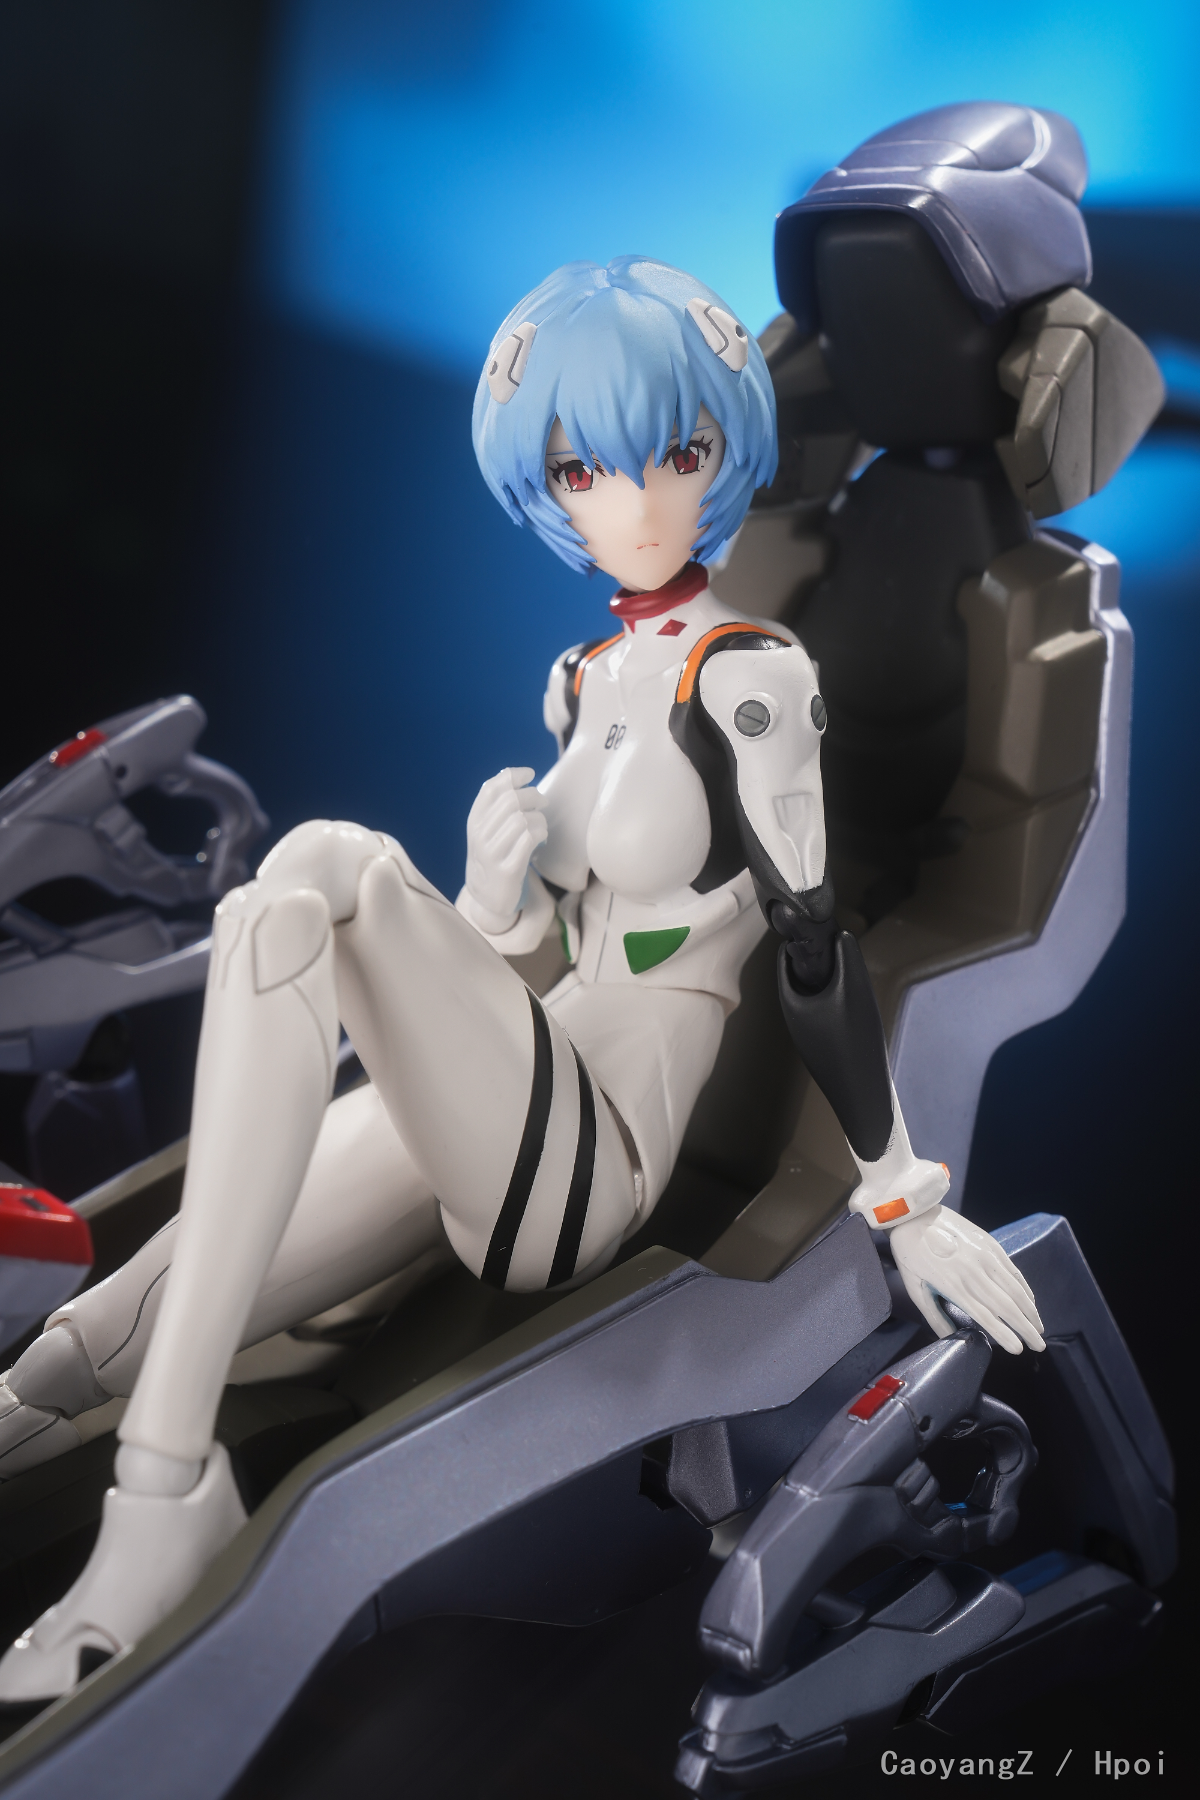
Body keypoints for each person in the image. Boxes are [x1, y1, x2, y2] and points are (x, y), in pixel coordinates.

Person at [0, 256, 1042, 1701]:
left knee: (324, 865)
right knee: (77, 1350)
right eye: (582, 472)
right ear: (545, 492)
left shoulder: (751, 679)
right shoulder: (581, 680)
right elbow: (522, 964)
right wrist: (495, 900)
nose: (636, 501)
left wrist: (902, 1198)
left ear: (726, 448)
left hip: (594, 1163)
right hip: (509, 1100)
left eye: (676, 452)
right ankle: (144, 1465)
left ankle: (163, 1502)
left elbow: (812, 946)